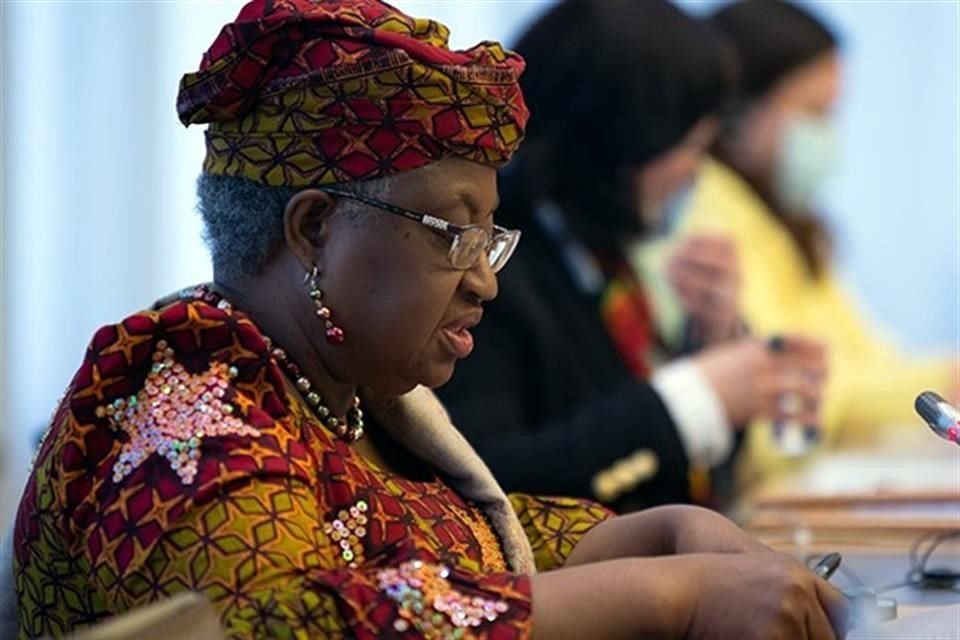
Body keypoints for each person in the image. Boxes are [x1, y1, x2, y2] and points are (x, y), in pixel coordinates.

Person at [10, 1, 847, 639]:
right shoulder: (178, 424)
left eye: (492, 237)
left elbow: (445, 544)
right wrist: (671, 592)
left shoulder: (324, 390)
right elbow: (297, 621)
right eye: (454, 234)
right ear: (313, 232)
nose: (484, 280)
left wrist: (662, 534)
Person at [436, 0, 826, 512]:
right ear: (617, 143)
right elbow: (486, 479)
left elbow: (701, 483)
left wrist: (710, 342)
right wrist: (690, 398)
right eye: (688, 147)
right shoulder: (490, 265)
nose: (696, 172)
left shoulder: (601, 253)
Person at [640, 0, 958, 485]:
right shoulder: (705, 215)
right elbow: (785, 408)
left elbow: (866, 357)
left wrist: (940, 376)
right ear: (737, 115)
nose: (826, 137)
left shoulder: (784, 220)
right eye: (813, 113)